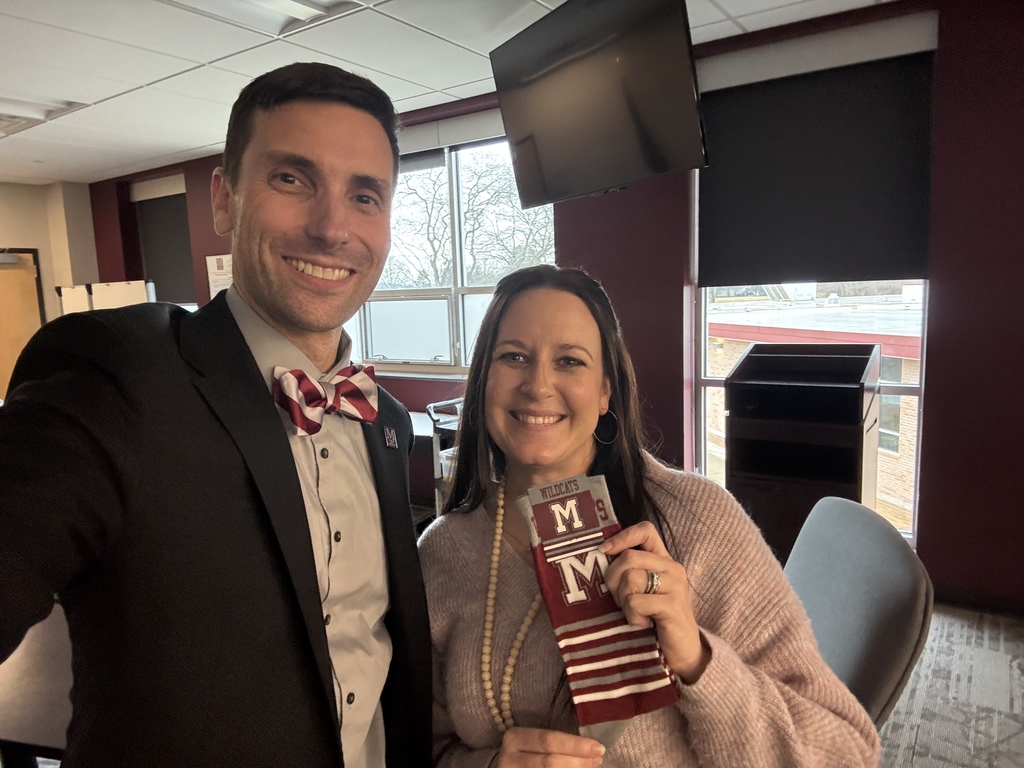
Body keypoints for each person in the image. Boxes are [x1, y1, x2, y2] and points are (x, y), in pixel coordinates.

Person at [0, 62, 431, 767]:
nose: (331, 228)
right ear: (225, 200)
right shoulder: (115, 377)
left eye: (365, 195)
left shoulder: (385, 423)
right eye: (292, 179)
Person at [418, 265, 882, 768]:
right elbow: (421, 745)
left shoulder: (696, 521)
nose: (538, 385)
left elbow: (846, 753)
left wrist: (698, 658)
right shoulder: (441, 555)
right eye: (513, 357)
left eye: (570, 361)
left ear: (605, 392)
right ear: (483, 379)